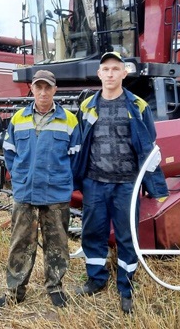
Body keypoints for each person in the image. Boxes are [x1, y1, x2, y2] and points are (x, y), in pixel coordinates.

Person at [74, 51, 169, 314]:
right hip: (94, 182)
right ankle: (96, 279)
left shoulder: (138, 106)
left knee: (128, 236)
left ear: (125, 73)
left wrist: (151, 173)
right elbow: (80, 142)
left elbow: (148, 140)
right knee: (93, 232)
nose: (111, 74)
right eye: (106, 69)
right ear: (99, 74)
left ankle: (125, 286)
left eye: (116, 69)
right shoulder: (87, 106)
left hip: (127, 184)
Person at [0, 70, 81, 308]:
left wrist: (62, 179)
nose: (43, 92)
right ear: (31, 90)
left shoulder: (69, 121)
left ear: (55, 90)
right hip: (25, 193)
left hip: (56, 194)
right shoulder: (18, 119)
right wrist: (21, 176)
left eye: (48, 88)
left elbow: (75, 158)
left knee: (58, 244)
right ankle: (15, 291)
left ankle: (54, 287)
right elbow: (9, 153)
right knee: (20, 243)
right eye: (38, 87)